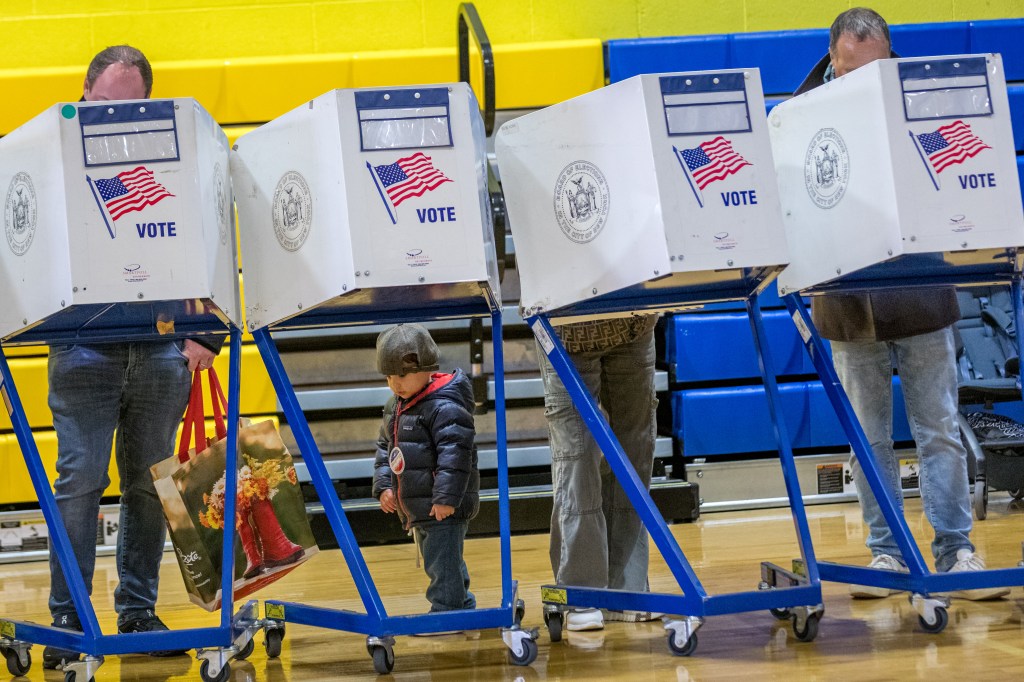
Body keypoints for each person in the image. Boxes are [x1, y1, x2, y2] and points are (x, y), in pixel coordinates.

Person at [797, 8, 1007, 601]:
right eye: (848, 70)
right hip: (848, 301)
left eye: (872, 70)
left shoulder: (925, 102)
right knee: (869, 439)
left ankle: (956, 551)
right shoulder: (803, 113)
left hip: (918, 290)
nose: (859, 83)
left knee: (938, 427)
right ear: (832, 62)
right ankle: (886, 556)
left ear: (889, 58)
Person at [44, 45, 223, 670]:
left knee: (152, 489)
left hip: (160, 349)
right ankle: (68, 615)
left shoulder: (175, 155)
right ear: (83, 94)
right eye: (107, 102)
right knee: (79, 485)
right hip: (82, 350)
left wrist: (209, 330)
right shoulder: (47, 158)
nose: (120, 114)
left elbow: (209, 234)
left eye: (133, 104)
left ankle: (138, 610)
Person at [537, 315, 661, 631]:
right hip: (566, 328)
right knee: (577, 458)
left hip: (634, 321)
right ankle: (582, 593)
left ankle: (626, 590)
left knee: (635, 452)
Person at [372, 324, 480, 619]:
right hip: (420, 505)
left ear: (429, 368)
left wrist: (446, 498)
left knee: (441, 560)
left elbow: (456, 455)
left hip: (440, 505)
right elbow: (385, 447)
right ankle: (461, 605)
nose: (396, 383)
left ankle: (448, 611)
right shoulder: (396, 405)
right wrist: (385, 485)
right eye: (389, 376)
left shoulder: (443, 405)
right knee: (445, 559)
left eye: (403, 375)